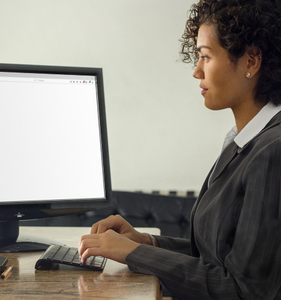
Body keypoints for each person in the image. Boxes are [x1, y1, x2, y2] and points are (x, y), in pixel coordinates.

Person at [78, 0, 281, 299]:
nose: (197, 72)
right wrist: (147, 242)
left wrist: (134, 254)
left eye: (206, 57)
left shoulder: (272, 153)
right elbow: (220, 256)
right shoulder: (245, 141)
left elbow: (243, 289)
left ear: (251, 61)